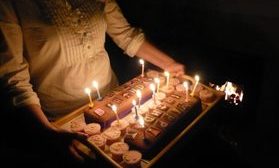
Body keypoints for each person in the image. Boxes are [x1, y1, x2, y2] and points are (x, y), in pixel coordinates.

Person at [0, 0, 184, 166]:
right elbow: (13, 77)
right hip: (64, 119)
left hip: (118, 104)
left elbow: (126, 35)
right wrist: (47, 132)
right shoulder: (12, 4)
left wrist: (170, 65)